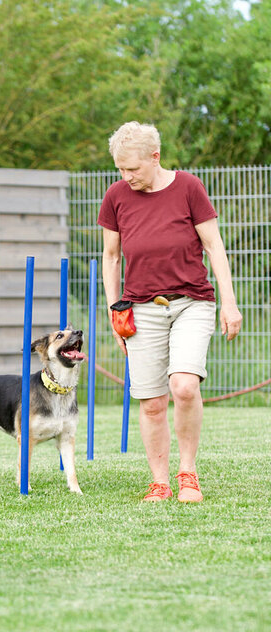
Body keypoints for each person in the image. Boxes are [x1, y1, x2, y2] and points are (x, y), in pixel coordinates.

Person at [98, 121, 242, 502]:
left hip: (191, 302)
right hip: (140, 308)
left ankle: (188, 474)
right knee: (151, 402)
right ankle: (159, 481)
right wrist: (115, 310)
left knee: (184, 385)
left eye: (134, 169)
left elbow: (214, 247)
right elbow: (111, 257)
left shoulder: (189, 188)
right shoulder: (116, 196)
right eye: (121, 170)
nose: (127, 177)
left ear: (155, 157)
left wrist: (229, 303)